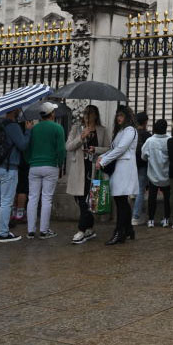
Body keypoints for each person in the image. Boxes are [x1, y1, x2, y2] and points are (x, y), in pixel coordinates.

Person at [65, 105, 110, 244]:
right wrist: (81, 137)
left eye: (90, 113)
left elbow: (108, 148)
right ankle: (88, 228)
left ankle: (82, 230)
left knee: (90, 201)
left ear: (95, 115)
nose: (87, 116)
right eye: (85, 113)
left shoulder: (102, 130)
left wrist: (96, 149)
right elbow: (68, 146)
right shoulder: (76, 128)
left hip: (94, 170)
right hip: (79, 170)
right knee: (81, 200)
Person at [96, 106, 139, 245]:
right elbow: (113, 149)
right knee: (121, 201)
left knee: (121, 201)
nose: (118, 118)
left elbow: (121, 149)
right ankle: (127, 229)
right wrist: (101, 156)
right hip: (119, 169)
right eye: (117, 115)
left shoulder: (130, 130)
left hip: (125, 168)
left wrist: (104, 161)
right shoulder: (121, 131)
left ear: (127, 116)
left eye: (121, 115)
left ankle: (120, 232)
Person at [0, 108, 31, 243]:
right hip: (8, 167)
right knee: (6, 201)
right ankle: (4, 233)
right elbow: (23, 145)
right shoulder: (13, 126)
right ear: (14, 111)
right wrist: (28, 131)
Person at [25, 102, 66, 239]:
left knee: (32, 198)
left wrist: (29, 161)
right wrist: (59, 163)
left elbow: (27, 148)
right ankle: (44, 230)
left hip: (34, 165)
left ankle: (30, 230)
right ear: (52, 114)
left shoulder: (34, 129)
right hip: (50, 165)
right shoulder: (57, 128)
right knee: (47, 198)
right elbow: (61, 150)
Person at [141, 119, 172, 228]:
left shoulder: (150, 141)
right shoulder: (169, 140)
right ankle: (167, 219)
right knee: (167, 198)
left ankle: (151, 220)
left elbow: (143, 156)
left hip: (153, 174)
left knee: (152, 197)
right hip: (167, 174)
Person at [132, 111, 150, 226]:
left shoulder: (132, 133)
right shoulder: (147, 135)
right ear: (145, 122)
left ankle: (138, 212)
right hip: (143, 164)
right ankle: (136, 216)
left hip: (132, 164)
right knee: (140, 191)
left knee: (134, 190)